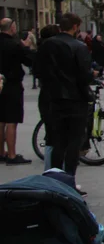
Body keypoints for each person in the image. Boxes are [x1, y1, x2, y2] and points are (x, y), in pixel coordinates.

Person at [34, 13, 93, 184]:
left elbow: (37, 71)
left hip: (52, 99)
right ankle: (69, 179)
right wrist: (92, 75)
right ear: (75, 27)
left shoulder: (47, 45)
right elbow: (84, 76)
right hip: (75, 100)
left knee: (57, 140)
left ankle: (55, 179)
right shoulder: (79, 46)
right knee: (74, 141)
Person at [0, 19, 35, 164]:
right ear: (12, 28)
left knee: (0, 120)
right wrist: (26, 47)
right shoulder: (14, 44)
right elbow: (28, 60)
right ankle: (12, 155)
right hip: (12, 84)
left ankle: (1, 152)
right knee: (11, 120)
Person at [34, 25, 60, 169]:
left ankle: (50, 170)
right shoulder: (54, 51)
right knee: (58, 137)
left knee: (51, 135)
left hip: (46, 96)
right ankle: (54, 173)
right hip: (56, 97)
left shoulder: (41, 51)